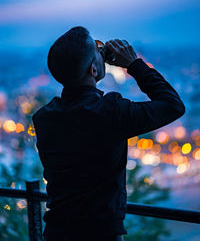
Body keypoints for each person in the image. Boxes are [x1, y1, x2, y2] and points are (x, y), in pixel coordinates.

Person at [32, 26, 185, 241]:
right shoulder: (110, 112)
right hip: (101, 233)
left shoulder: (43, 117)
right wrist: (134, 64)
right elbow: (173, 105)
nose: (101, 50)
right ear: (93, 69)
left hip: (57, 232)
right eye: (97, 49)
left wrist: (94, 57)